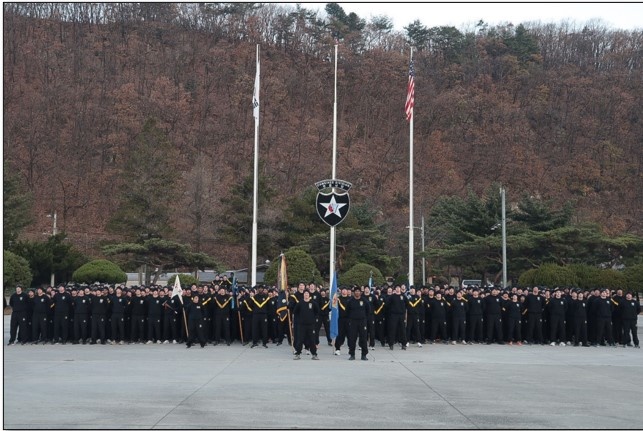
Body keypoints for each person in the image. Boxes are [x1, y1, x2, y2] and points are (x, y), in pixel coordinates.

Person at [292, 290, 319, 360]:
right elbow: (295, 312)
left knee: (312, 340)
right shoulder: (300, 303)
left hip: (311, 325)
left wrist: (314, 319)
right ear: (303, 295)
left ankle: (314, 354)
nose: (306, 295)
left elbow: (317, 312)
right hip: (301, 325)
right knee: (300, 340)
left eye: (307, 293)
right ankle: (297, 354)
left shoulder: (313, 303)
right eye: (305, 293)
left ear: (309, 295)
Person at [346, 287, 370, 360]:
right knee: (352, 339)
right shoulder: (350, 301)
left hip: (362, 322)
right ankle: (352, 354)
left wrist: (365, 319)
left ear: (360, 292)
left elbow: (368, 310)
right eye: (356, 291)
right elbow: (347, 311)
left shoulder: (364, 300)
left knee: (363, 338)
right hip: (353, 322)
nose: (357, 292)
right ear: (354, 292)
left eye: (358, 291)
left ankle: (364, 355)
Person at [386, 285, 408, 350]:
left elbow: (407, 304)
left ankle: (404, 344)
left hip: (401, 315)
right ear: (395, 289)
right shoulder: (392, 296)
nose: (398, 289)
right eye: (397, 288)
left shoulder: (403, 296)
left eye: (399, 288)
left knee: (403, 330)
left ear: (400, 289)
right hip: (394, 315)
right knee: (392, 330)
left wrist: (403, 310)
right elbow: (387, 304)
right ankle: (391, 344)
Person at [333, 286, 351, 355]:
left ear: (347, 291)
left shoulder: (350, 299)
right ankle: (337, 349)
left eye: (345, 290)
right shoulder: (338, 299)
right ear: (341, 291)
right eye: (343, 290)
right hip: (341, 319)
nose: (344, 291)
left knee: (350, 335)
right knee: (340, 334)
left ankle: (350, 349)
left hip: (349, 319)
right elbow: (334, 307)